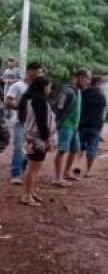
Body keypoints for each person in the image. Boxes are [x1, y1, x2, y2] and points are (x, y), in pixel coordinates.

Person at [4, 62, 43, 184]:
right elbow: (8, 102)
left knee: (29, 149)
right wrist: (21, 106)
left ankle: (23, 169)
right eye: (38, 72)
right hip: (20, 121)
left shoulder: (38, 88)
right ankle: (16, 174)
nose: (40, 75)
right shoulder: (18, 85)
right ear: (31, 71)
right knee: (18, 148)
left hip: (33, 123)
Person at [19, 76, 55, 206]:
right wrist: (47, 140)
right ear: (43, 87)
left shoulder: (29, 99)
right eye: (49, 86)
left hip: (30, 137)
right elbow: (42, 122)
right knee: (33, 167)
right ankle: (27, 195)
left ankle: (31, 192)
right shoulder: (39, 100)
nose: (50, 89)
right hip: (37, 138)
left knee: (35, 166)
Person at [54, 68, 91, 187]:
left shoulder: (78, 91)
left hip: (74, 126)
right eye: (87, 79)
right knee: (62, 150)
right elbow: (59, 106)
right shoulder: (68, 91)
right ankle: (58, 178)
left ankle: (66, 172)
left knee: (75, 149)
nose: (88, 81)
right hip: (66, 125)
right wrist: (58, 122)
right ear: (80, 77)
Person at [78, 76, 106, 178]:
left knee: (79, 147)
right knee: (92, 148)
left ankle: (77, 165)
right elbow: (102, 111)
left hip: (82, 124)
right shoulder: (101, 96)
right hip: (95, 125)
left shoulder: (83, 93)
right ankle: (88, 171)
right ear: (98, 84)